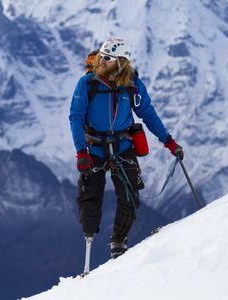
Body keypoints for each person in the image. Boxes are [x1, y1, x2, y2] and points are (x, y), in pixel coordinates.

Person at [69, 37, 183, 259]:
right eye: (102, 56)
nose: (102, 61)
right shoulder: (87, 83)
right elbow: (75, 117)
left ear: (121, 61)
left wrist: (169, 142)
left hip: (122, 145)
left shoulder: (131, 84)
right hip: (94, 146)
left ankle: (118, 242)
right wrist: (81, 151)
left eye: (108, 58)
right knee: (90, 198)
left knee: (130, 197)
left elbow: (147, 113)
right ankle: (89, 236)